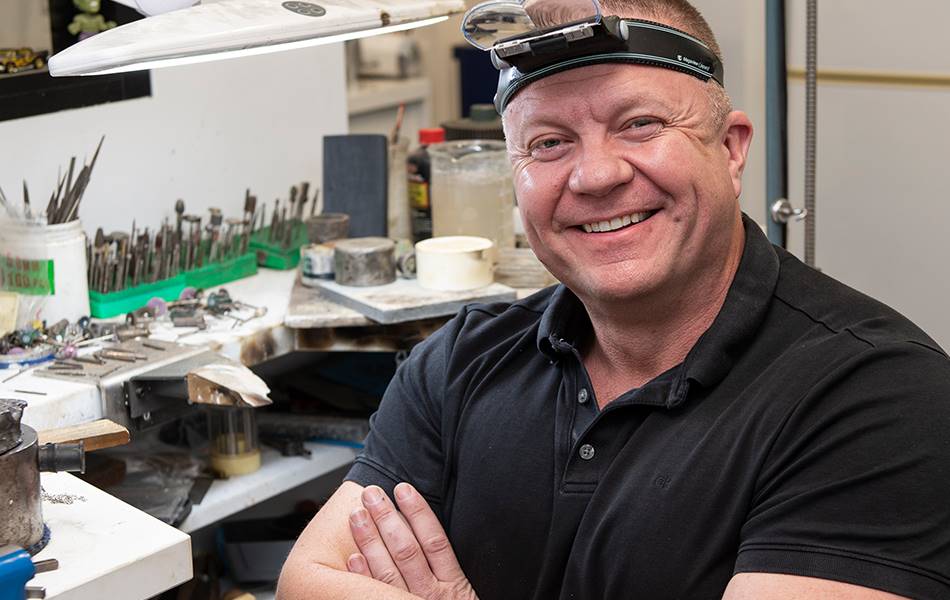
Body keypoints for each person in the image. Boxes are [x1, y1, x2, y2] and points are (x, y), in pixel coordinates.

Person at [277, 1, 950, 598]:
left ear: (731, 148)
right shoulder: (457, 363)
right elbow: (308, 582)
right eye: (548, 143)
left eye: (640, 124)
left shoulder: (878, 395)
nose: (595, 175)